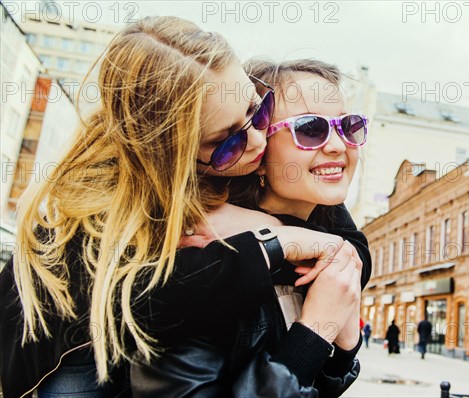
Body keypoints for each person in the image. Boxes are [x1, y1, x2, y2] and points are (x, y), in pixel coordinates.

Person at [0, 18, 368, 398]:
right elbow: (150, 298)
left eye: (258, 110)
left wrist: (343, 342)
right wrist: (276, 247)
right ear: (174, 156)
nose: (258, 139)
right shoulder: (134, 229)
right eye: (226, 141)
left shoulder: (243, 217)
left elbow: (351, 245)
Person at [129, 58, 370, 396]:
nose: (337, 145)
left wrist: (345, 350)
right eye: (310, 128)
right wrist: (315, 331)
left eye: (348, 125)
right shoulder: (208, 259)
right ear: (255, 146)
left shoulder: (321, 242)